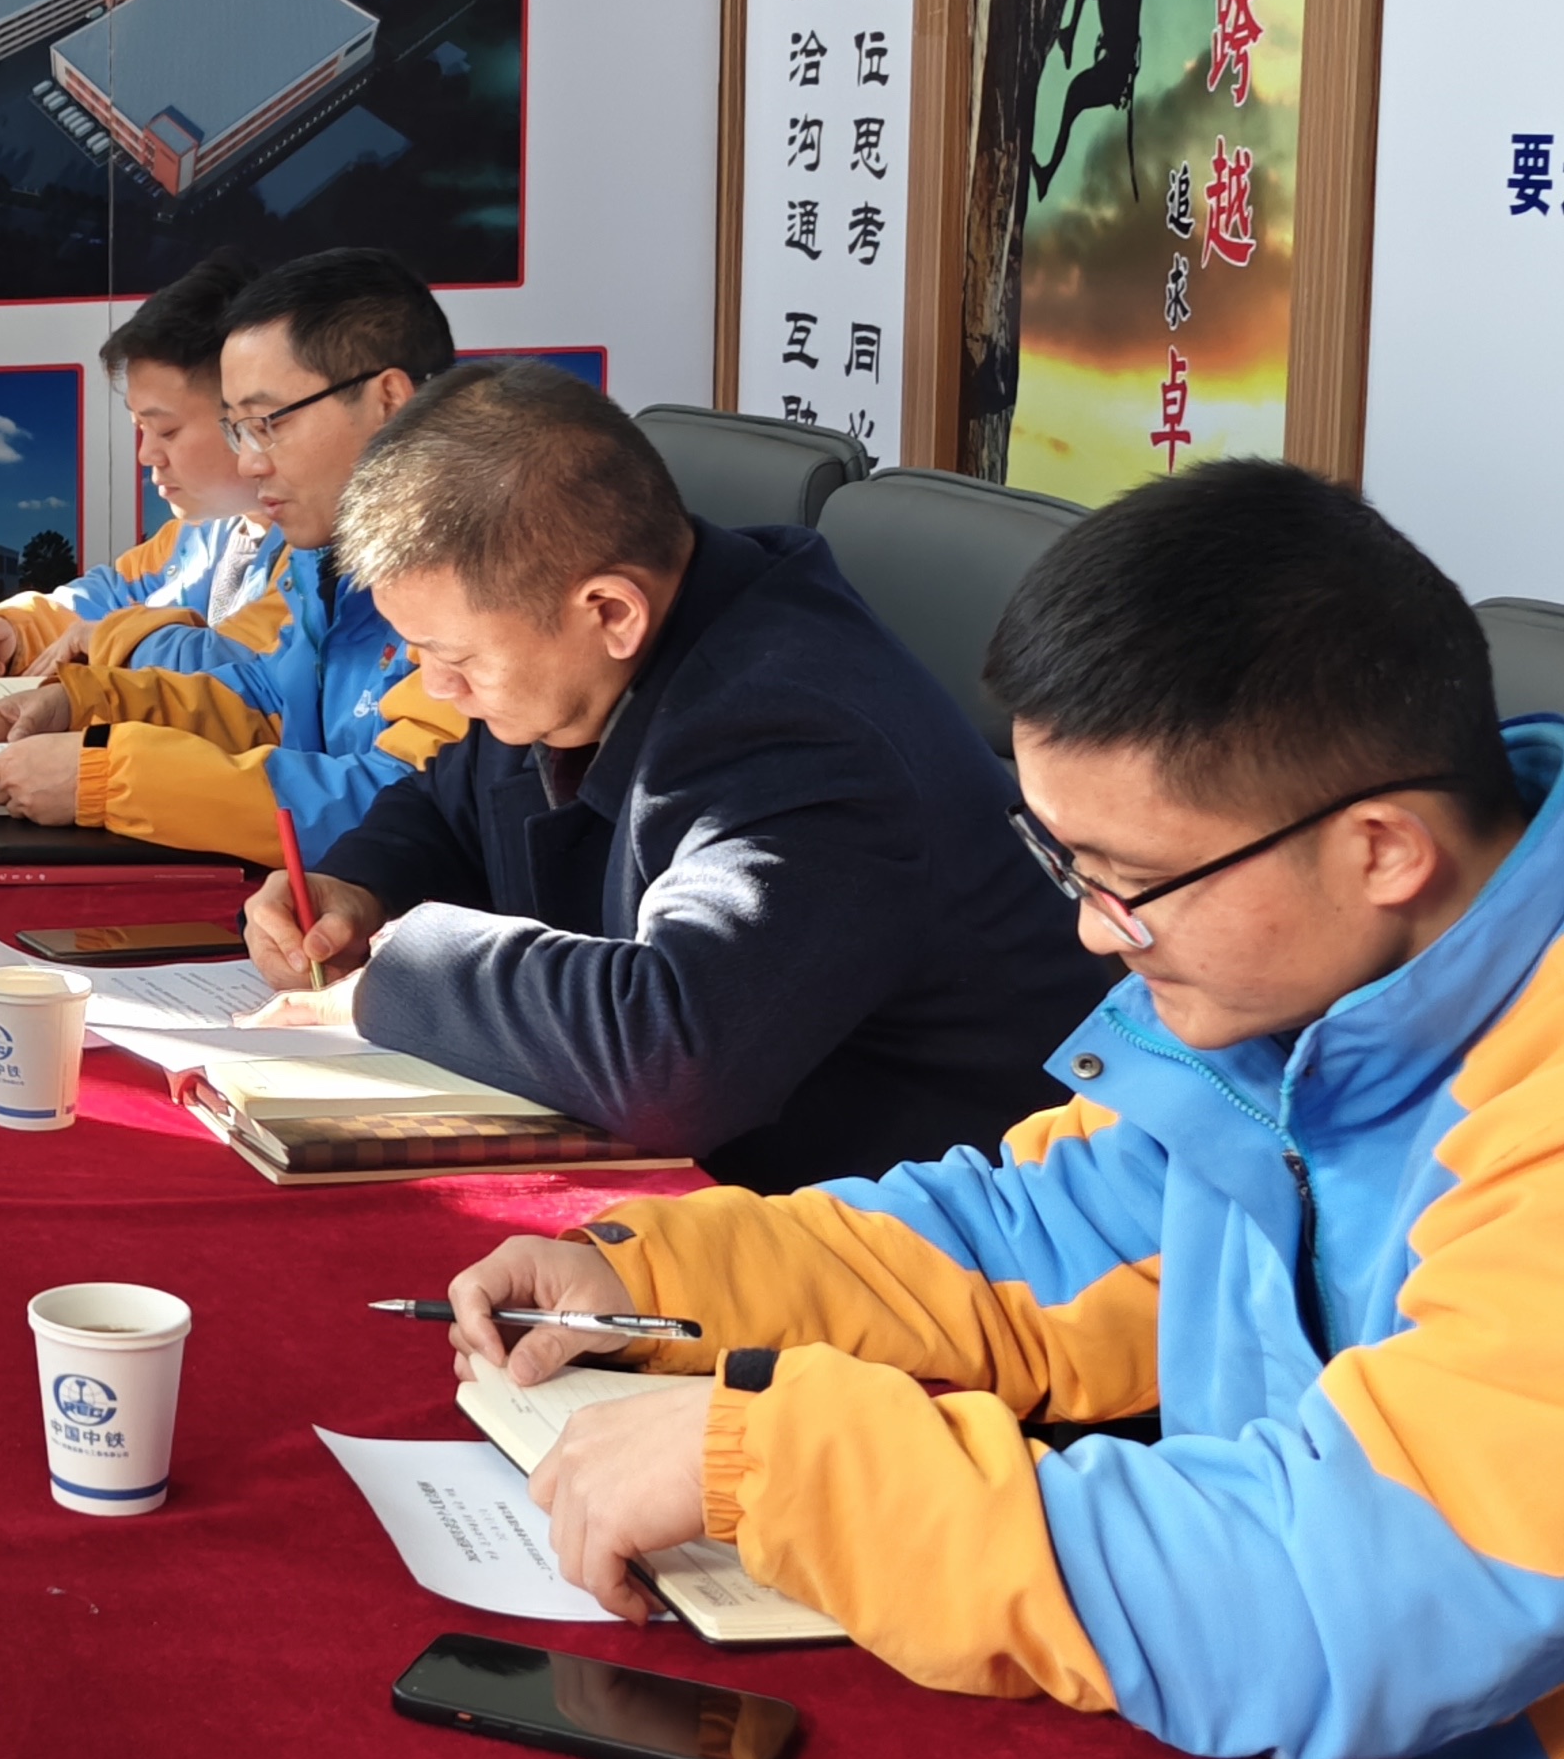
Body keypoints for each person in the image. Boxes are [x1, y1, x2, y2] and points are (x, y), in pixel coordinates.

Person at [447, 462, 1564, 1759]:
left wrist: (784, 1465)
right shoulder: (1297, 977)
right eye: (1065, 863)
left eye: (1126, 880)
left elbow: (1346, 1589)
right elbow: (1042, 1237)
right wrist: (653, 1280)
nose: (1096, 935)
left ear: (1381, 850)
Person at [243, 362, 1091, 1188]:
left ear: (612, 611)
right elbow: (452, 804)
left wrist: (402, 975)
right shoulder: (581, 653)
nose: (437, 688)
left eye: (456, 657)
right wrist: (358, 887)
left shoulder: (801, 731)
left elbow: (671, 1056)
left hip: (909, 1224)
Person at [0, 247, 466, 862]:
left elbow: (414, 806)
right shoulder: (324, 561)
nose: (249, 463)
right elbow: (267, 703)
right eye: (238, 430)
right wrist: (87, 703)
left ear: (389, 401)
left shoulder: (480, 567)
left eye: (267, 423)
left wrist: (111, 776)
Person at [0, 258, 268, 681]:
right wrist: (12, 632)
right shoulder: (192, 538)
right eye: (140, 428)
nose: (146, 455)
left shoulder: (319, 552)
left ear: (250, 410)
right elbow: (102, 597)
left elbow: (254, 678)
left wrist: (103, 642)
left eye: (166, 430)